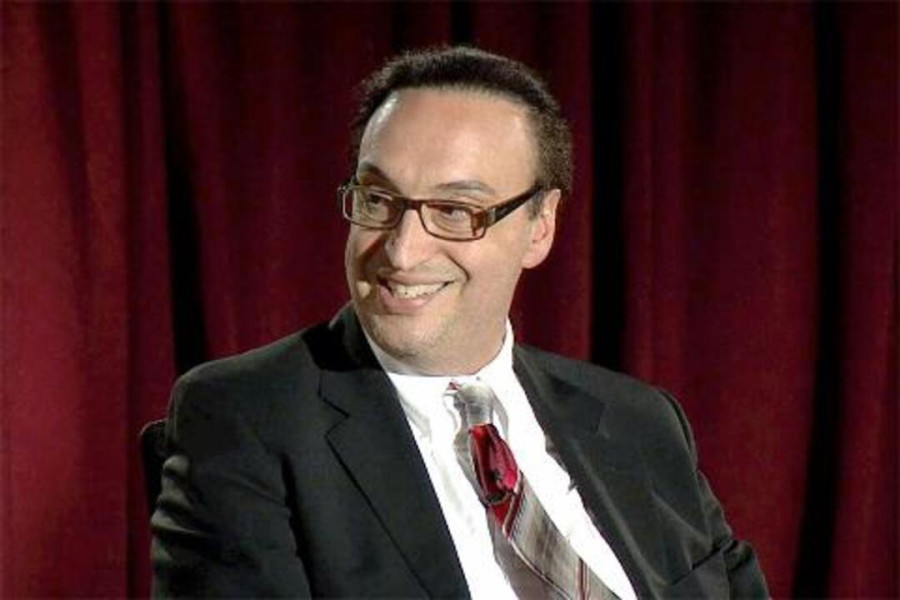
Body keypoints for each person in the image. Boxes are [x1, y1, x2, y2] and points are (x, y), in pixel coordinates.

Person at [151, 46, 768, 599]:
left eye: (454, 210)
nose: (401, 251)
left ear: (540, 226)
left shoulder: (642, 423)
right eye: (378, 200)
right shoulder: (247, 418)